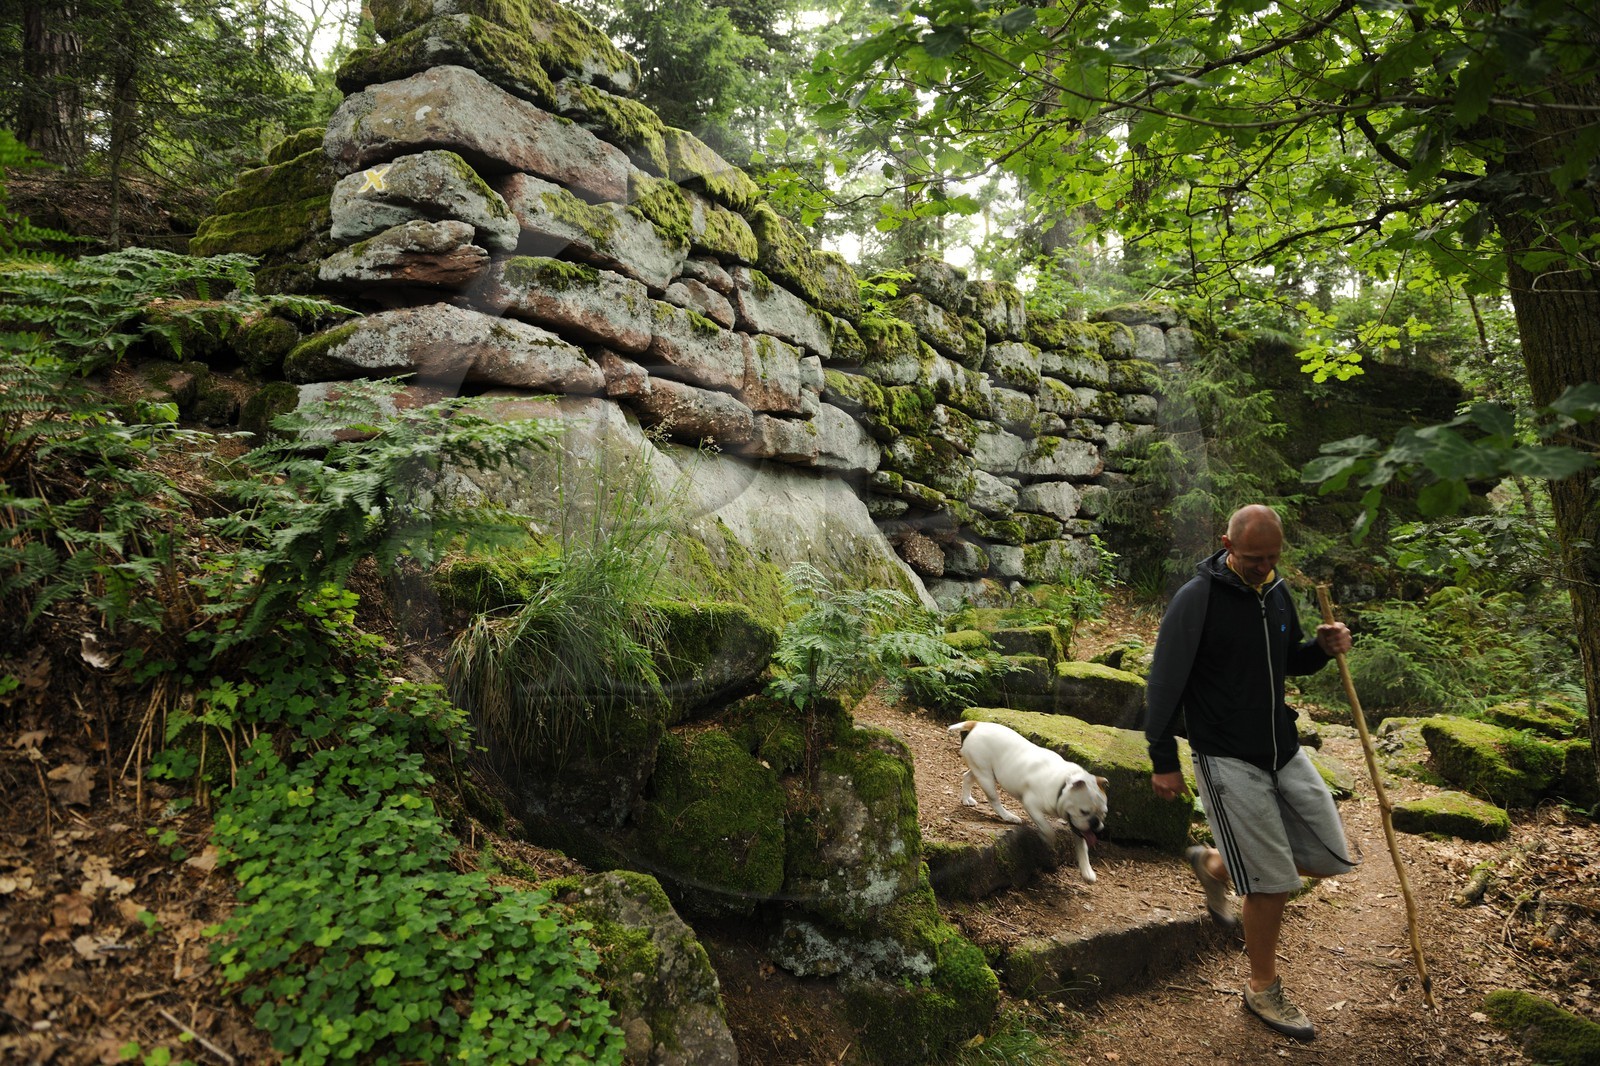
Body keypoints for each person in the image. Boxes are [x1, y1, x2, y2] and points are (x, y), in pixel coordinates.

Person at [1144, 504, 1356, 1042]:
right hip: (1225, 757)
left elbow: (1288, 661)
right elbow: (1164, 683)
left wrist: (1323, 651)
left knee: (1328, 856)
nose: (1264, 566)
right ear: (1227, 544)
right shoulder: (1198, 600)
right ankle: (1263, 987)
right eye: (1254, 558)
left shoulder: (1276, 592)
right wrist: (1163, 759)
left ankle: (1215, 864)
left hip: (1282, 749)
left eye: (1272, 557)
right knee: (1270, 882)